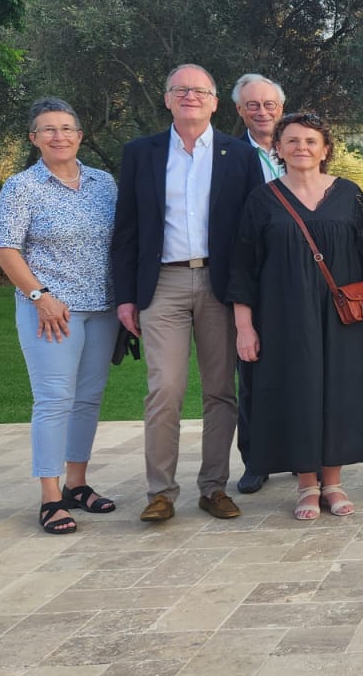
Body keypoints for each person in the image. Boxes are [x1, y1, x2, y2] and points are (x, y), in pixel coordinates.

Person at [112, 63, 262, 523]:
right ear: (167, 99)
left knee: (220, 392)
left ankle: (213, 487)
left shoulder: (238, 155)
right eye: (180, 89)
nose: (190, 96)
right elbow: (128, 229)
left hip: (221, 285)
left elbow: (254, 232)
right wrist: (125, 296)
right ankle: (161, 491)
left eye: (200, 90)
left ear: (216, 102)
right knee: (166, 390)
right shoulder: (142, 153)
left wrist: (250, 300)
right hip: (163, 284)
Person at [230, 112, 363, 520]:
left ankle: (332, 483)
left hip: (342, 316)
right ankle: (306, 485)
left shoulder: (350, 194)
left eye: (311, 141)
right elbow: (243, 267)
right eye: (293, 141)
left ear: (326, 149)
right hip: (282, 315)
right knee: (296, 392)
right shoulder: (262, 199)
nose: (302, 147)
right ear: (278, 149)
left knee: (340, 393)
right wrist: (244, 326)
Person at [0, 98, 120, 534]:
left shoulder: (104, 183)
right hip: (51, 312)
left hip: (101, 308)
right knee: (53, 401)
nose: (59, 136)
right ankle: (50, 497)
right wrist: (39, 295)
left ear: (80, 136)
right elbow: (5, 247)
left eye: (67, 128)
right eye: (48, 130)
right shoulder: (21, 187)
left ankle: (77, 485)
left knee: (87, 399)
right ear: (34, 139)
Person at [231, 73, 286, 496]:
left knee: (303, 370)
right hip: (253, 275)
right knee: (251, 372)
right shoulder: (229, 156)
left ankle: (307, 452)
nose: (262, 111)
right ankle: (255, 459)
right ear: (239, 111)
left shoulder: (298, 148)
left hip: (301, 276)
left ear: (280, 109)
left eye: (269, 104)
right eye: (253, 105)